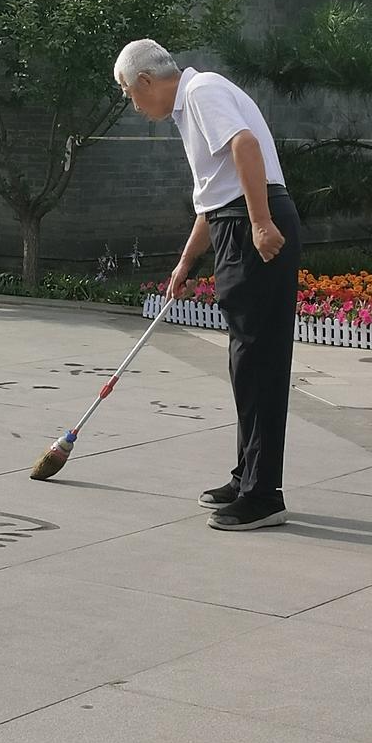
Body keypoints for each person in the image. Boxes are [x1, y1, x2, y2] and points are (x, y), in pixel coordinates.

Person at [113, 40, 300, 530]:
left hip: (252, 225)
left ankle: (264, 494)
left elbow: (246, 147)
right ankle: (246, 478)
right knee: (245, 361)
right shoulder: (190, 106)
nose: (135, 105)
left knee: (259, 359)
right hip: (233, 223)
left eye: (131, 94)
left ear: (147, 82)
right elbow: (212, 199)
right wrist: (185, 263)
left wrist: (260, 223)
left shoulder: (201, 92)